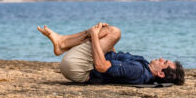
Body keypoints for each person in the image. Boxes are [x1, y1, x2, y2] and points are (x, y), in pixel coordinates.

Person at [37, 22, 185, 85]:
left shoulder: (138, 71)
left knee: (114, 32)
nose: (161, 58)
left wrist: (95, 35)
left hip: (79, 68)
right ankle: (62, 43)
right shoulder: (144, 67)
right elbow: (112, 61)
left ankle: (62, 43)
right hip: (79, 66)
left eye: (164, 62)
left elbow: (101, 66)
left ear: (161, 74)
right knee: (108, 33)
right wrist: (107, 43)